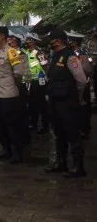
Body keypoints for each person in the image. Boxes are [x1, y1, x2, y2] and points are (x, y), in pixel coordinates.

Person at [44, 29, 89, 178]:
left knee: (72, 133)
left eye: (51, 39)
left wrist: (77, 96)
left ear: (58, 40)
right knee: (59, 133)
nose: (49, 42)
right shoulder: (55, 56)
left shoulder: (70, 57)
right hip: (55, 101)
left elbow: (81, 80)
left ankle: (78, 166)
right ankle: (61, 163)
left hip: (68, 102)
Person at [0, 26, 30, 164]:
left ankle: (17, 153)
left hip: (9, 94)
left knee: (12, 125)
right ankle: (5, 149)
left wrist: (11, 82)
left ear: (1, 36)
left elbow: (19, 72)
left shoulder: (11, 51)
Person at [67, 31, 94, 139]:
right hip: (75, 84)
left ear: (75, 42)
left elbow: (86, 69)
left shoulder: (81, 54)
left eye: (70, 40)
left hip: (83, 84)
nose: (69, 42)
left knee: (84, 107)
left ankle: (84, 129)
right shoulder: (72, 53)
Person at [25, 33, 49, 134]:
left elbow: (46, 66)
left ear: (33, 41)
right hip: (29, 82)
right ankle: (33, 123)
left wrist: (47, 79)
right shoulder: (26, 53)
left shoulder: (39, 53)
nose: (26, 41)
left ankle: (45, 125)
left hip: (40, 82)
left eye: (28, 39)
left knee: (42, 105)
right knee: (31, 105)